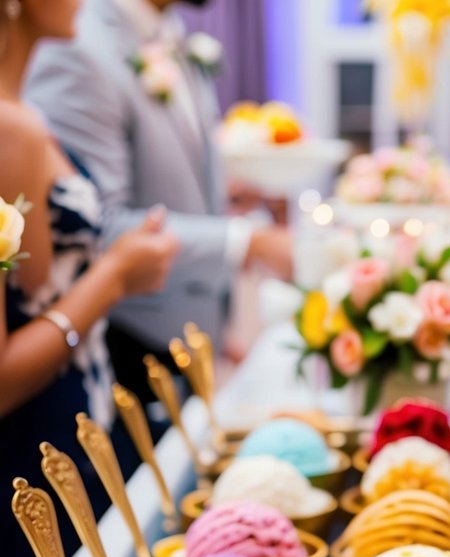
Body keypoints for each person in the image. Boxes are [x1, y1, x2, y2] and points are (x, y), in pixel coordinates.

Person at [0, 0, 179, 557]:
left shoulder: (25, 116)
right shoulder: (8, 128)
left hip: (77, 422)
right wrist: (114, 277)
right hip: (33, 451)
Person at [26, 0, 293, 406]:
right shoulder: (76, 46)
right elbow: (96, 224)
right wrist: (249, 240)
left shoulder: (167, 31)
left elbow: (166, 179)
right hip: (124, 349)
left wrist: (230, 194)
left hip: (186, 339)